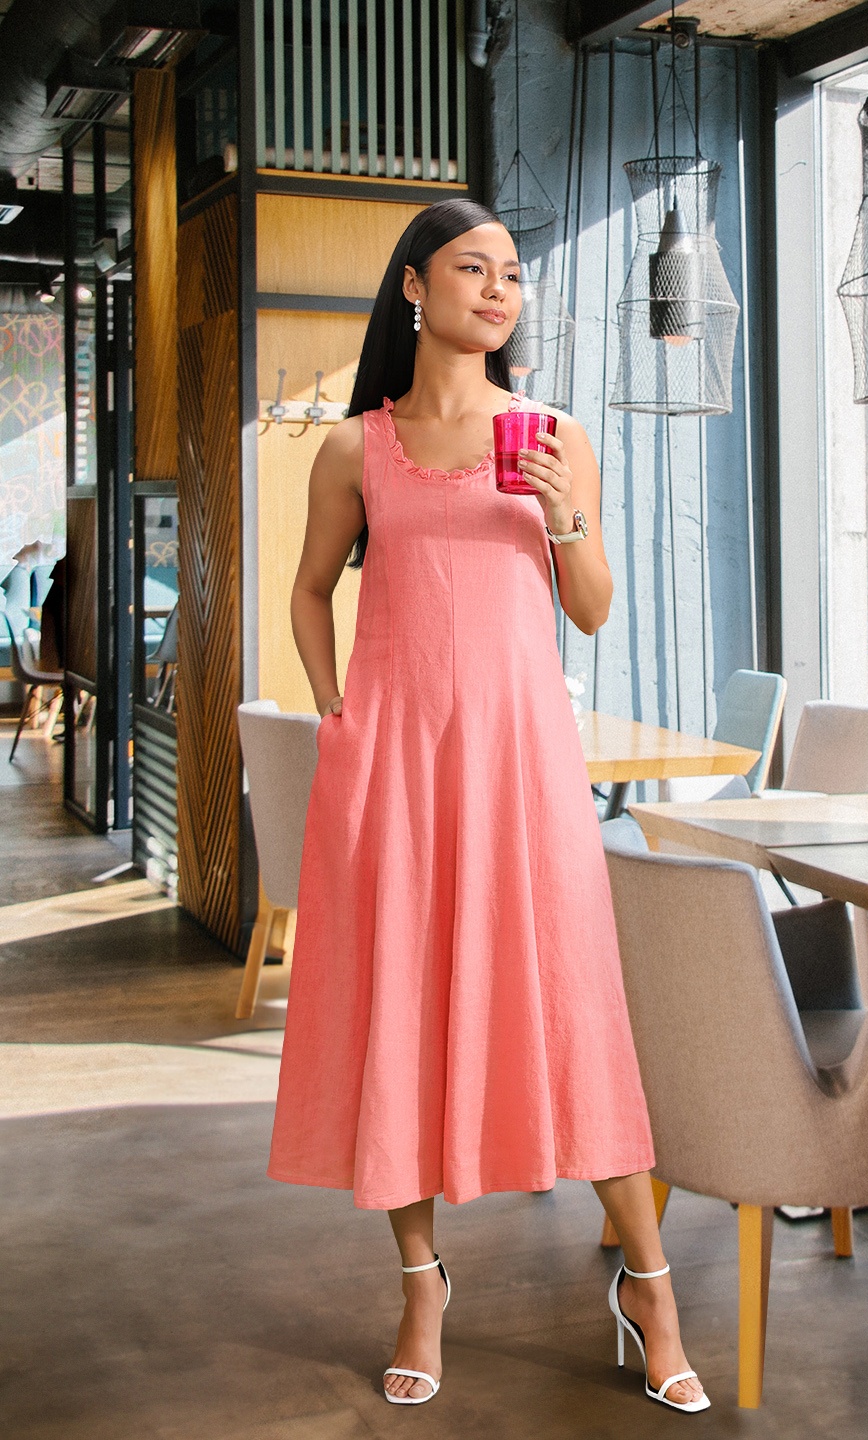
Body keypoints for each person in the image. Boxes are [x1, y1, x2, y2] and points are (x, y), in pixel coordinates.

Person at [268, 198, 708, 1415]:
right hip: (396, 769)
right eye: (475, 268)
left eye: (513, 272)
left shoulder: (553, 433)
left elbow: (595, 608)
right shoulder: (359, 449)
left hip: (524, 767)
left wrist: (566, 507)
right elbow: (312, 593)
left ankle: (650, 1286)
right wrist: (336, 708)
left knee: (574, 1010)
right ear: (415, 286)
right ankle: (420, 1282)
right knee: (396, 1017)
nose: (500, 289)